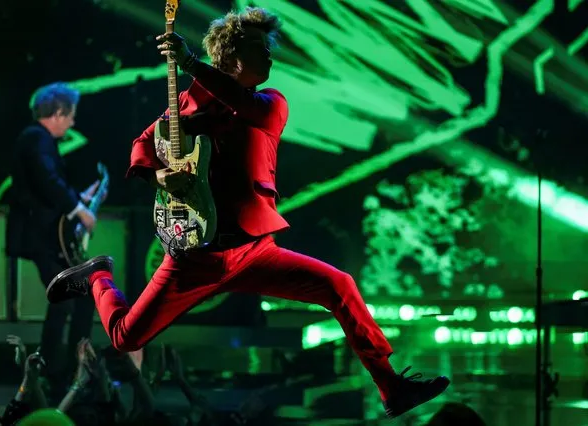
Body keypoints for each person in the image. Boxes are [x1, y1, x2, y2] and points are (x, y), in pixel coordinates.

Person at [45, 7, 449, 418]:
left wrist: (188, 63)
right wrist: (160, 177)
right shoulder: (182, 106)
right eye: (261, 49)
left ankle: (390, 385)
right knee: (126, 338)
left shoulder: (270, 103)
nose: (271, 58)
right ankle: (98, 274)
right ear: (234, 59)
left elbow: (239, 102)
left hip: (254, 249)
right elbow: (143, 144)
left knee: (339, 285)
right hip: (195, 255)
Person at [5, 82, 104, 399]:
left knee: (72, 298)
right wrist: (79, 209)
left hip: (46, 237)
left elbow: (48, 183)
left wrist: (79, 198)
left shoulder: (38, 140)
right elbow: (47, 181)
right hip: (40, 238)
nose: (73, 123)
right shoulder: (36, 138)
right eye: (71, 115)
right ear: (59, 112)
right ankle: (62, 372)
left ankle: (63, 370)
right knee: (72, 297)